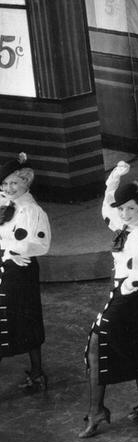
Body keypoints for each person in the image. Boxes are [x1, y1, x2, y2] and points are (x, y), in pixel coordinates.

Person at [81, 161, 138, 438]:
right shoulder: (125, 224)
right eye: (122, 208)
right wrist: (114, 177)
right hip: (123, 292)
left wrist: (128, 286)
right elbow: (107, 207)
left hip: (130, 294)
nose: (124, 213)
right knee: (136, 342)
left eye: (130, 208)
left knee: (96, 342)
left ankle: (96, 411)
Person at [0, 153, 51, 393]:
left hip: (20, 272)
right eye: (4, 184)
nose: (8, 188)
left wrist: (11, 250)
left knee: (26, 318)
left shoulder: (33, 211)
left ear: (26, 183)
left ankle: (38, 372)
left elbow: (41, 244)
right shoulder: (4, 203)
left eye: (14, 183)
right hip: (5, 266)